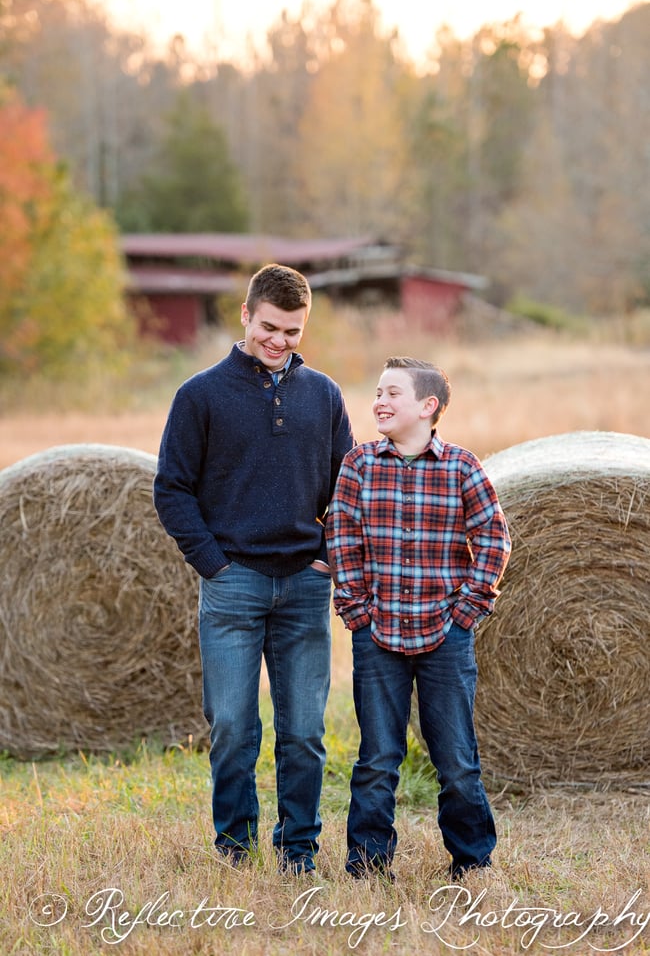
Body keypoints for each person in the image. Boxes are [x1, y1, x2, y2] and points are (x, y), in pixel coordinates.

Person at [153, 263, 355, 875]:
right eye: (270, 326)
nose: (280, 341)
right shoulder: (200, 395)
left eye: (292, 331)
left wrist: (332, 552)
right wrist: (212, 563)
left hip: (302, 586)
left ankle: (299, 851)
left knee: (304, 733)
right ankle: (235, 851)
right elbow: (172, 489)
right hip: (232, 582)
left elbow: (347, 487)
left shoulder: (323, 395)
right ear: (245, 316)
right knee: (234, 727)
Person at [325, 356, 510, 881]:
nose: (379, 401)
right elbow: (342, 538)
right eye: (377, 392)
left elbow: (494, 537)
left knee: (455, 759)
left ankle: (472, 861)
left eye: (392, 393)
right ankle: (367, 866)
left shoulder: (461, 466)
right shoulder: (359, 465)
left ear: (428, 407)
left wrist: (469, 609)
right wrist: (357, 610)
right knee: (377, 759)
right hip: (378, 632)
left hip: (444, 634)